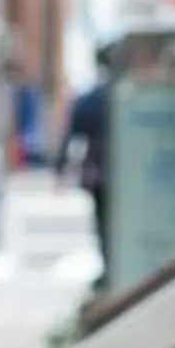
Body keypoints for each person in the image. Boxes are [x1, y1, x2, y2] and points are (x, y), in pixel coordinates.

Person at [61, 77, 112, 284]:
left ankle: (108, 265)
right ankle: (111, 265)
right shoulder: (125, 96)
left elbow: (72, 134)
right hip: (113, 169)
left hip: (98, 170)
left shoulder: (91, 99)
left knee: (102, 222)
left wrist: (61, 166)